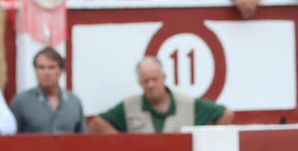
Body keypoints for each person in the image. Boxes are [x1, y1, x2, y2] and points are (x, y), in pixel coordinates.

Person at [90, 54, 232, 133]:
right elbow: (96, 124)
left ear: (164, 77)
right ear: (140, 83)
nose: (151, 85)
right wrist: (122, 145)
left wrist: (204, 139)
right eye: (146, 81)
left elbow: (226, 114)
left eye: (154, 79)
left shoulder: (189, 104)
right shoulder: (129, 106)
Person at [11, 46, 87, 134]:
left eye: (52, 68)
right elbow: (11, 136)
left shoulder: (74, 101)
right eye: (41, 67)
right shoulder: (21, 101)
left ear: (61, 70)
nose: (46, 73)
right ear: (35, 70)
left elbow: (83, 137)